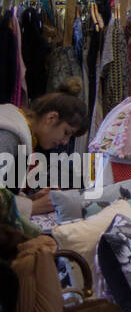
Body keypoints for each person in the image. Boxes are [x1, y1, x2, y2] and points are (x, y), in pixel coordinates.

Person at [0, 84, 89, 219]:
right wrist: (33, 207)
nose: (65, 141)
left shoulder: (23, 138)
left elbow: (5, 192)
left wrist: (31, 199)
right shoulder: (8, 137)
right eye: (66, 132)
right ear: (51, 118)